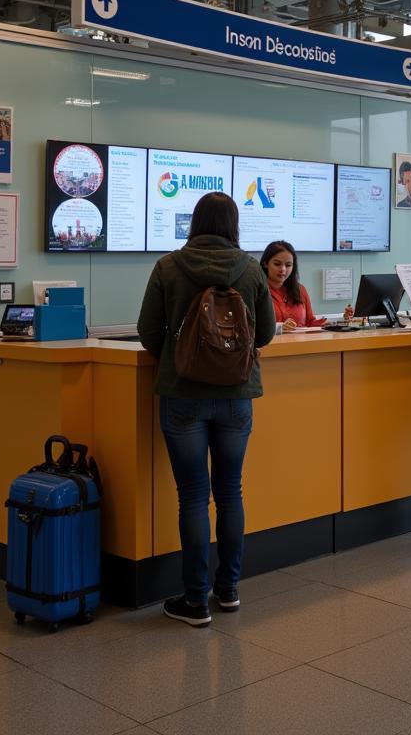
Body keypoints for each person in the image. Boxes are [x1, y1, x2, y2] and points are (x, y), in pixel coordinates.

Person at [137, 191, 275, 627]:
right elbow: (267, 333)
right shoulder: (251, 269)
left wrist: (180, 359)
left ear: (194, 223)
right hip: (236, 397)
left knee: (193, 496)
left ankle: (195, 601)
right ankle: (228, 591)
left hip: (183, 396)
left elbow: (147, 332)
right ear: (234, 225)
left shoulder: (168, 267)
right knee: (230, 492)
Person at [260, 240, 353, 331]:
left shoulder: (300, 290)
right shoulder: (256, 290)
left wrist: (342, 320)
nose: (283, 269)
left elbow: (310, 323)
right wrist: (279, 327)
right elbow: (252, 326)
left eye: (288, 265)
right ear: (265, 263)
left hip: (301, 344)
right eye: (277, 264)